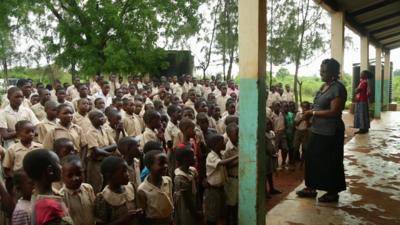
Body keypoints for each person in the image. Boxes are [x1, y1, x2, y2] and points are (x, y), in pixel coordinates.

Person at [296, 58, 347, 202]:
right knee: (312, 158)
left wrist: (312, 113)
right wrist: (308, 115)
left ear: (333, 73)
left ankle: (332, 192)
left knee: (330, 161)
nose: (321, 73)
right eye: (321, 70)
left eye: (324, 71)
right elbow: (318, 106)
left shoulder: (337, 88)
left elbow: (334, 111)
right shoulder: (323, 87)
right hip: (318, 129)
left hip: (331, 131)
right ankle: (311, 187)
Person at [22, 149, 74, 225]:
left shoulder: (35, 196)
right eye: (58, 164)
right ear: (50, 170)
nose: (61, 167)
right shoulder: (50, 206)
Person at [205, 134, 238, 225]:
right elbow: (222, 163)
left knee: (218, 211)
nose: (224, 144)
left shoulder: (220, 154)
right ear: (216, 145)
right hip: (213, 190)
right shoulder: (211, 156)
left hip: (220, 189)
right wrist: (238, 156)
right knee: (212, 214)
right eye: (222, 143)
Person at [137, 149, 174, 225]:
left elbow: (170, 201)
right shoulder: (143, 189)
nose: (165, 166)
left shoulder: (168, 180)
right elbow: (142, 215)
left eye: (166, 163)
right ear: (149, 166)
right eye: (161, 164)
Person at [85, 110, 118, 193]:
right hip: (96, 163)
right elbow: (96, 151)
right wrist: (109, 153)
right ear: (92, 119)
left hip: (105, 160)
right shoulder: (90, 132)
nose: (103, 118)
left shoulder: (104, 129)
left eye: (103, 116)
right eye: (100, 117)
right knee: (97, 185)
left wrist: (101, 149)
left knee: (106, 183)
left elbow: (114, 145)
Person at [59, 155, 96, 225]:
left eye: (79, 174)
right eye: (70, 175)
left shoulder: (88, 188)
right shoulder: (61, 196)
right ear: (62, 177)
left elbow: (94, 210)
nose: (76, 178)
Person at [173, 145, 200, 225]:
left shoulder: (191, 171)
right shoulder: (180, 177)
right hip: (185, 206)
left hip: (192, 201)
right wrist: (195, 213)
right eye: (192, 156)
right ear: (185, 160)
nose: (195, 157)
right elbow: (187, 200)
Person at [223, 123, 240, 225]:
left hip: (239, 178)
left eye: (238, 133)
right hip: (232, 179)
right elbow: (226, 166)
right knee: (231, 205)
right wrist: (240, 159)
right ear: (229, 135)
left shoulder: (239, 143)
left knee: (237, 204)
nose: (238, 136)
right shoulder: (227, 149)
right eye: (236, 134)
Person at [270, 101, 288, 168]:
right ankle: (276, 165)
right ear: (273, 107)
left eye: (278, 106)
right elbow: (271, 125)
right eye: (275, 106)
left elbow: (285, 122)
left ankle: (283, 162)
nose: (277, 107)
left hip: (283, 133)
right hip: (276, 133)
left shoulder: (282, 114)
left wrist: (285, 129)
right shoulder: (272, 115)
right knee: (276, 150)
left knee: (285, 148)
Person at [265, 119, 281, 195]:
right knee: (265, 174)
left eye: (270, 124)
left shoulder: (271, 133)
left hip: (271, 156)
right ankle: (264, 191)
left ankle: (271, 188)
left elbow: (273, 144)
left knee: (270, 173)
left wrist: (275, 152)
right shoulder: (263, 134)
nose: (269, 126)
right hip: (266, 157)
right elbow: (266, 148)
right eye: (267, 124)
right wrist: (272, 153)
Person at [354, 70, 371, 134]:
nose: (360, 74)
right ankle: (365, 128)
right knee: (364, 114)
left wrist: (355, 90)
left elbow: (357, 91)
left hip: (361, 101)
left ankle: (362, 129)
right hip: (364, 100)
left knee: (361, 114)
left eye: (362, 74)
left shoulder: (363, 83)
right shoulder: (365, 82)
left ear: (365, 75)